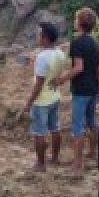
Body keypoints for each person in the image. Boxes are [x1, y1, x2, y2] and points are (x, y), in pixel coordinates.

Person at [55, 7, 99, 174]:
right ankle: (93, 152)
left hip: (81, 89)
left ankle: (77, 162)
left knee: (77, 126)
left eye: (76, 19)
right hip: (93, 89)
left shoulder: (77, 43)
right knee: (92, 122)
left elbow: (78, 68)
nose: (74, 22)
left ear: (80, 23)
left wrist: (62, 79)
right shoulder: (95, 44)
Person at [24, 21, 67, 172]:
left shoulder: (42, 57)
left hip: (42, 100)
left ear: (45, 38)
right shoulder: (60, 53)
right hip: (54, 96)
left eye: (39, 35)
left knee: (39, 132)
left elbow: (39, 84)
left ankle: (40, 163)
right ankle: (55, 158)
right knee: (55, 128)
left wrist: (29, 102)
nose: (37, 37)